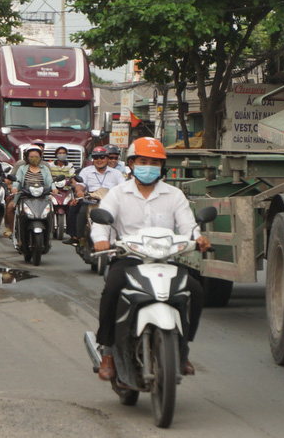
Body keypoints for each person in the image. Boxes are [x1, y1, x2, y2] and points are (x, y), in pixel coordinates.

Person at [91, 137, 211, 381]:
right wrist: (100, 239)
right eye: (143, 161)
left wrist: (197, 238)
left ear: (162, 167)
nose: (149, 167)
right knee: (112, 289)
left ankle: (182, 348)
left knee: (195, 291)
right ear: (132, 164)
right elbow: (101, 220)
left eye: (154, 163)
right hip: (130, 258)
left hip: (165, 260)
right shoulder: (118, 193)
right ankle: (108, 352)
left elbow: (188, 225)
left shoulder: (174, 194)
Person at [64, 146, 125, 246]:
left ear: (107, 158)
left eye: (102, 157)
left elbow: (122, 187)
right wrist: (80, 192)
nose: (99, 160)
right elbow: (80, 185)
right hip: (91, 199)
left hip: (110, 200)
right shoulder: (86, 171)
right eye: (96, 157)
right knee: (79, 208)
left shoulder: (116, 173)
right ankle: (80, 237)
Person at [6, 145, 57, 237]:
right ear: (27, 157)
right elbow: (17, 180)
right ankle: (13, 230)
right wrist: (15, 188)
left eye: (36, 157)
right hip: (25, 195)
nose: (34, 159)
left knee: (51, 210)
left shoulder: (45, 168)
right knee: (10, 207)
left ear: (41, 157)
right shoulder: (22, 168)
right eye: (32, 157)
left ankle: (50, 229)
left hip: (42, 196)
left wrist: (54, 188)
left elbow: (50, 180)